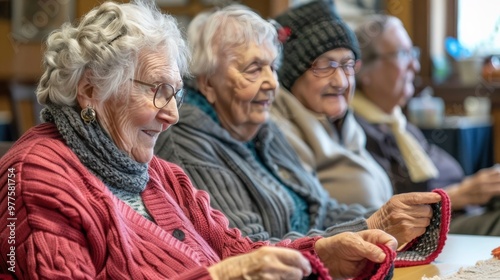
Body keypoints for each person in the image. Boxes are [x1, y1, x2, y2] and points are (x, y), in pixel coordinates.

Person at [0, 1, 401, 279]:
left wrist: (321, 254)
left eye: (174, 94)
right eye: (157, 90)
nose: (172, 114)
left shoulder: (160, 176)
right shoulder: (36, 177)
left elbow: (239, 252)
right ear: (91, 89)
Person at [154, 2, 445, 251]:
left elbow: (323, 208)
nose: (271, 83)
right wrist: (371, 226)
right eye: (255, 69)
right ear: (207, 82)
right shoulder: (187, 141)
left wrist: (388, 217)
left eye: (272, 67)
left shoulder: (262, 130)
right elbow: (248, 250)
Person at [352, 14, 500, 235]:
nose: (415, 64)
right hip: (433, 231)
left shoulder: (399, 124)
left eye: (413, 53)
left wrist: (479, 188)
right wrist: (459, 194)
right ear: (364, 71)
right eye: (402, 54)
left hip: (464, 214)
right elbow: (385, 212)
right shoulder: (358, 132)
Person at [270, 0, 392, 209]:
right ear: (292, 75)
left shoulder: (347, 129)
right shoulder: (277, 133)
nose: (341, 82)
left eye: (347, 65)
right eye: (326, 66)